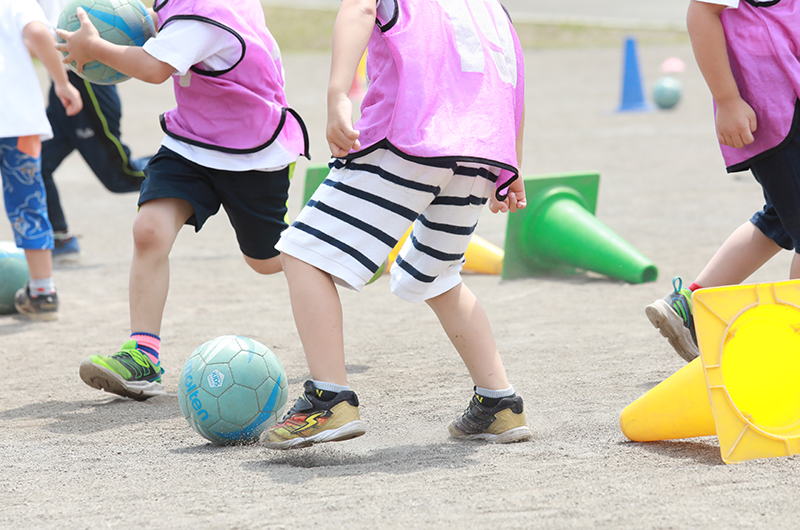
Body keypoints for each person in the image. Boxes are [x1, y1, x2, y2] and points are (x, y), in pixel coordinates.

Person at [260, 0, 530, 450]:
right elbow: (515, 73)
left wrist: (337, 94)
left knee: (302, 253)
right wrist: (512, 163)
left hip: (408, 140)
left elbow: (361, 8)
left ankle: (330, 399)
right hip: (480, 154)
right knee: (439, 274)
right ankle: (499, 401)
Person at [56, 0, 309, 399]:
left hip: (252, 149)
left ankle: (334, 248)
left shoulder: (207, 10)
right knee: (149, 230)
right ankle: (144, 356)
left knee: (266, 260)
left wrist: (97, 49)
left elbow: (156, 69)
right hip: (192, 140)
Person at [646, 0, 800, 362]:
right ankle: (793, 346)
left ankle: (691, 307)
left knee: (781, 217)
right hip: (773, 108)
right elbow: (702, 11)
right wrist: (727, 100)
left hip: (790, 96)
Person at [37, 0, 152, 263]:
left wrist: (63, 83)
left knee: (121, 177)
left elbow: (47, 33)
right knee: (37, 164)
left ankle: (200, 170)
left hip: (83, 84)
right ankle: (59, 239)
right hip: (62, 84)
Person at [1, 0, 83, 320]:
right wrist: (62, 83)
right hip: (19, 122)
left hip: (20, 120)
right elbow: (38, 31)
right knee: (29, 203)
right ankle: (43, 290)